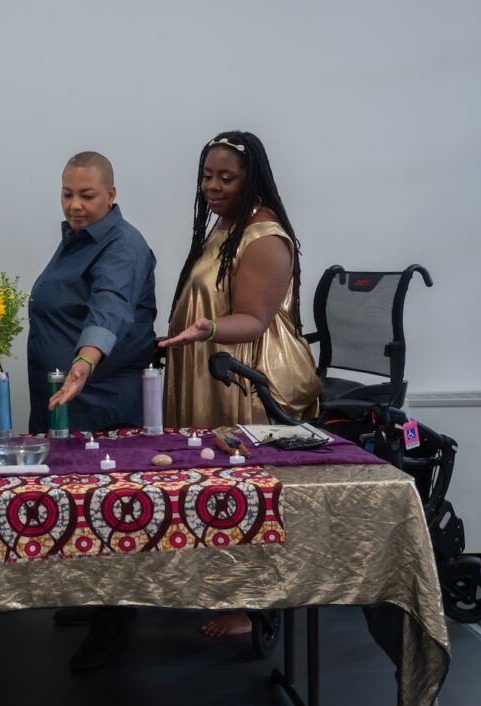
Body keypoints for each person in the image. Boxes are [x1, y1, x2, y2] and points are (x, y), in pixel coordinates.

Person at [160, 130, 320, 636]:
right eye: (207, 176)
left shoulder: (264, 235)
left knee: (241, 489)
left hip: (249, 377)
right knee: (212, 484)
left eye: (226, 178)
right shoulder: (227, 225)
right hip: (215, 367)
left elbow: (253, 319)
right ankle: (220, 586)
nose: (212, 186)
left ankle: (249, 604)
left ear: (251, 181)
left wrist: (205, 329)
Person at [28, 151, 156, 671]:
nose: (75, 205)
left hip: (103, 403)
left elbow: (111, 306)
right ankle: (96, 598)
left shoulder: (122, 244)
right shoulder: (76, 239)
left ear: (111, 194)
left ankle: (114, 624)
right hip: (71, 403)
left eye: (87, 195)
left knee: (110, 512)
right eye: (67, 194)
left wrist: (82, 362)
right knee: (81, 510)